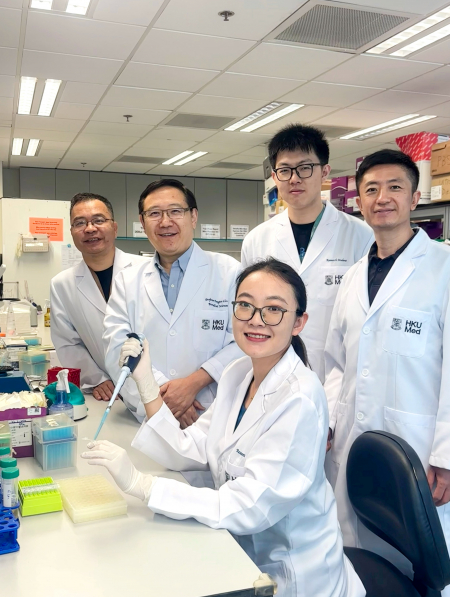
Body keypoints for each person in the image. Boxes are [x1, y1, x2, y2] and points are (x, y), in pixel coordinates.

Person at [82, 258, 365, 597]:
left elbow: (250, 505)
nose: (256, 319)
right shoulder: (238, 374)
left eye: (274, 310)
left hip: (295, 571)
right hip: (239, 553)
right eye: (245, 305)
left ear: (298, 323)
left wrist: (143, 485)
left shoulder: (300, 399)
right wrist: (145, 383)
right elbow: (191, 447)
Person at [324, 149, 450, 588]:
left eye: (395, 187)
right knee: (363, 565)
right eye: (371, 189)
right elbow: (336, 363)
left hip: (419, 450)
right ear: (358, 201)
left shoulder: (444, 270)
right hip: (352, 444)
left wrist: (445, 455)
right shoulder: (352, 277)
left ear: (414, 198)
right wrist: (330, 419)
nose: (382, 198)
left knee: (422, 569)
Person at [103, 179, 242, 426]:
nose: (165, 222)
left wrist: (193, 384)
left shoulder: (230, 272)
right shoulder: (127, 280)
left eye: (176, 211)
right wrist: (161, 398)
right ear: (142, 222)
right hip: (149, 416)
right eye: (154, 213)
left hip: (211, 413)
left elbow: (243, 342)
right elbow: (117, 348)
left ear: (193, 217)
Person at [241, 124, 373, 382]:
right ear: (275, 177)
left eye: (305, 168)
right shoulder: (256, 240)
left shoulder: (361, 236)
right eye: (285, 170)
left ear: (324, 172)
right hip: (272, 374)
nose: (294, 178)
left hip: (336, 376)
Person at [51, 192, 144, 403]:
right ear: (72, 233)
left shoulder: (146, 270)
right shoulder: (62, 284)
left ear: (115, 227)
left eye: (99, 220)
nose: (90, 228)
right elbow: (68, 343)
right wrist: (96, 379)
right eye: (79, 223)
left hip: (160, 387)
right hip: (109, 394)